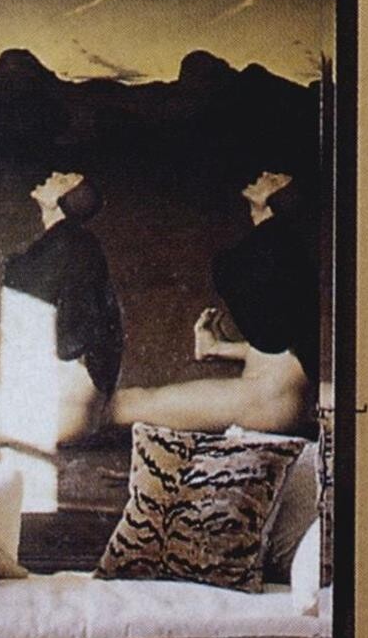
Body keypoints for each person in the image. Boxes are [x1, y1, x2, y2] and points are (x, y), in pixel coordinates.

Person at [111, 169, 320, 437]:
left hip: (269, 400)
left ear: (278, 199)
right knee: (130, 402)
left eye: (276, 179)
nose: (267, 174)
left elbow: (280, 340)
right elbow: (285, 347)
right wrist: (217, 348)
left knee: (127, 404)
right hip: (272, 396)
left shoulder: (275, 250)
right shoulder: (275, 247)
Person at [0, 171, 125, 444]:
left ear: (62, 199)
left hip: (67, 398)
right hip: (74, 393)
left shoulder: (67, 244)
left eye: (64, 179)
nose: (54, 174)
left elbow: (71, 337)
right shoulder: (70, 243)